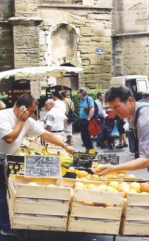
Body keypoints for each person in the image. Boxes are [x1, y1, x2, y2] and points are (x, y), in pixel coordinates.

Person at [0, 94, 76, 235]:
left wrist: (65, 146)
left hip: (9, 158)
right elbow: (10, 138)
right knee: (1, 193)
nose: (33, 114)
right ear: (22, 108)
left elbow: (45, 134)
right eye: (32, 110)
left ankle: (8, 222)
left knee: (7, 192)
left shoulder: (27, 120)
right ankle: (4, 227)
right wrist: (21, 121)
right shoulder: (3, 116)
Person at [95, 85, 149, 184]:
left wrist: (114, 168)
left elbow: (147, 160)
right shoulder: (136, 113)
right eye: (112, 108)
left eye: (117, 107)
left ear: (130, 100)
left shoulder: (147, 118)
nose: (114, 112)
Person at [77, 87, 95, 152]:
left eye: (78, 92)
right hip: (82, 120)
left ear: (82, 93)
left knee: (86, 135)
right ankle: (88, 149)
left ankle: (91, 150)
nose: (77, 93)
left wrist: (88, 119)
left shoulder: (89, 99)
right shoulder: (81, 100)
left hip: (86, 120)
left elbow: (92, 109)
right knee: (83, 136)